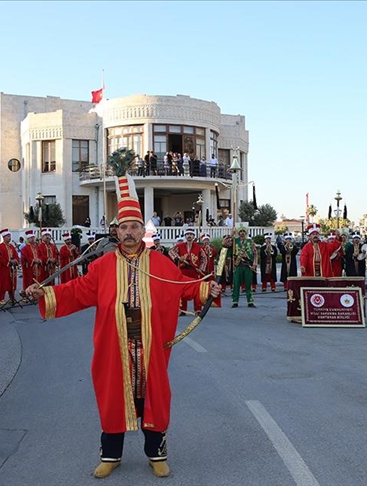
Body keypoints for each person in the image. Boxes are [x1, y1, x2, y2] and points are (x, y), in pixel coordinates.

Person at [24, 174, 221, 479]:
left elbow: (182, 286)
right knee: (113, 395)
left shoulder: (160, 263)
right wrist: (46, 293)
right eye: (124, 228)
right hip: (114, 345)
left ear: (143, 230)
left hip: (149, 344)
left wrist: (207, 290)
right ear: (116, 231)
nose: (129, 233)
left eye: (135, 227)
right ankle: (111, 455)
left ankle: (156, 454)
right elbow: (76, 291)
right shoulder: (101, 266)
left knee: (152, 396)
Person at [168, 227, 207, 314]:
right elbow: (170, 252)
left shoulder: (199, 247)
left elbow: (204, 259)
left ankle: (198, 309)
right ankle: (183, 309)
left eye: (191, 234)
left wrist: (201, 269)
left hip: (195, 271)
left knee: (197, 289)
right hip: (183, 270)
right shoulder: (180, 246)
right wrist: (177, 258)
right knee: (183, 289)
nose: (189, 236)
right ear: (185, 236)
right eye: (188, 234)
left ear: (193, 236)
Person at [227, 226, 258, 307]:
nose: (242, 233)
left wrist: (255, 263)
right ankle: (235, 301)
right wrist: (231, 234)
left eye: (244, 231)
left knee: (248, 284)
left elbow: (255, 253)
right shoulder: (235, 241)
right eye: (240, 231)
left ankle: (250, 301)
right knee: (236, 284)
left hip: (248, 265)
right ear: (238, 233)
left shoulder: (250, 241)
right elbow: (227, 244)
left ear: (246, 233)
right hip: (238, 265)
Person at [0, 229, 18, 304]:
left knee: (12, 282)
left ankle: (11, 297)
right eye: (8, 236)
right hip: (4, 268)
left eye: (10, 236)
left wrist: (15, 260)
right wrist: (8, 261)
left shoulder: (11, 246)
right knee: (3, 283)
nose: (9, 238)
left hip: (12, 268)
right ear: (4, 237)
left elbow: (16, 255)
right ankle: (1, 298)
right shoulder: (0, 246)